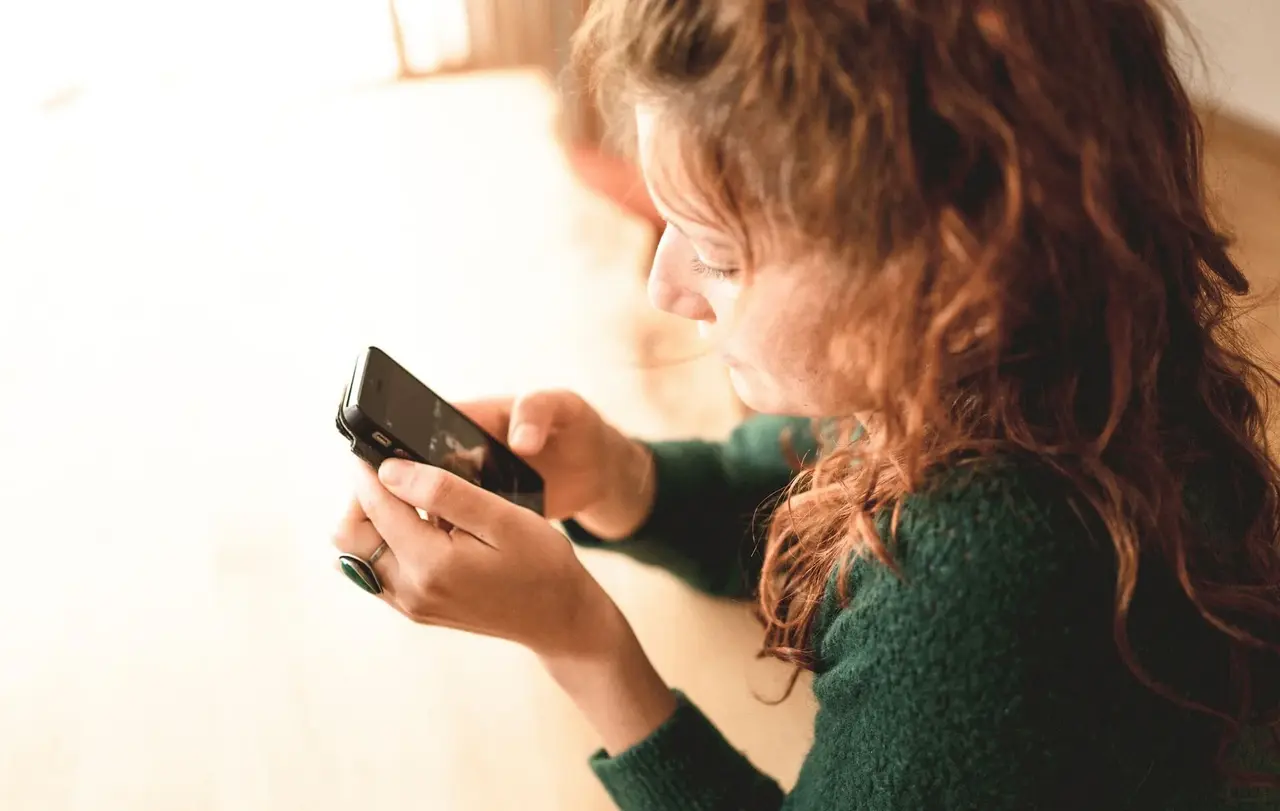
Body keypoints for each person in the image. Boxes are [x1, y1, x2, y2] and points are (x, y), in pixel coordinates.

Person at [331, 1, 1280, 807]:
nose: (666, 287)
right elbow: (800, 485)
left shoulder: (985, 584)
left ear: (940, 270)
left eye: (717, 253)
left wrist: (582, 646)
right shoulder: (1027, 366)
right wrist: (626, 480)